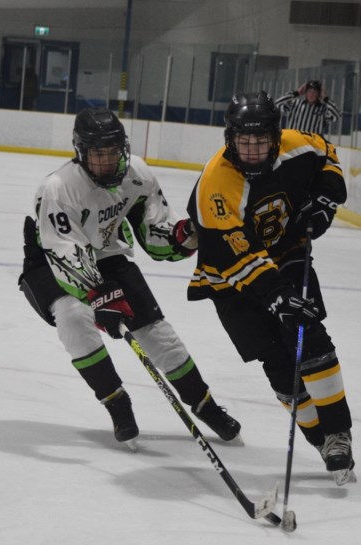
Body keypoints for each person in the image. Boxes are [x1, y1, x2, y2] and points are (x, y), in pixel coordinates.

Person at [18, 107, 242, 450]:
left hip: (107, 254)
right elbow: (64, 251)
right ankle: (117, 404)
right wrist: (99, 295)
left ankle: (205, 404)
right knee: (74, 317)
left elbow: (154, 229)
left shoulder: (137, 174)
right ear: (81, 153)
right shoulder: (60, 187)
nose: (107, 162)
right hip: (49, 263)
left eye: (112, 152)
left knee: (156, 331)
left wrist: (180, 236)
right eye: (97, 154)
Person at [184, 91, 356, 485]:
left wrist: (327, 198)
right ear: (230, 139)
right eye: (244, 142)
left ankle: (338, 434)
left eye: (261, 142)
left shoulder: (297, 145)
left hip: (287, 251)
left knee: (307, 332)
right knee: (278, 364)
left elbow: (327, 153)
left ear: (276, 137)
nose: (253, 151)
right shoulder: (216, 183)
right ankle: (318, 438)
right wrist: (277, 296)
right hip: (228, 276)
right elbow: (236, 257)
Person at [274, 80, 341, 136]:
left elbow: (337, 115)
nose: (311, 94)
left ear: (319, 94)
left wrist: (325, 98)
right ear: (305, 92)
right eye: (309, 91)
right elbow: (277, 103)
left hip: (311, 146)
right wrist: (296, 93)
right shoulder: (295, 103)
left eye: (314, 92)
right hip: (293, 142)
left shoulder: (323, 109)